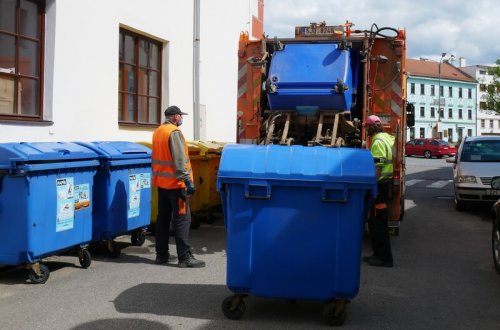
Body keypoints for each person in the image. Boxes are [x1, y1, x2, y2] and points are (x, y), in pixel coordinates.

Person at [152, 105, 205, 268]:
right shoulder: (174, 133)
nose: (181, 118)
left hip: (162, 185)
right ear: (174, 117)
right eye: (180, 116)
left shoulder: (158, 131)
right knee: (182, 220)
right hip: (176, 185)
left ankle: (161, 255)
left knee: (163, 220)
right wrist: (187, 181)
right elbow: (180, 159)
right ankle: (184, 257)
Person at [362, 115, 394, 267]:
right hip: (383, 185)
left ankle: (384, 258)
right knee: (375, 222)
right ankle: (377, 254)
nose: (365, 129)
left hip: (379, 187)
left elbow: (378, 167)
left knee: (378, 223)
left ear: (371, 127)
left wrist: (370, 184)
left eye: (366, 126)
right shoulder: (385, 138)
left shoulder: (378, 142)